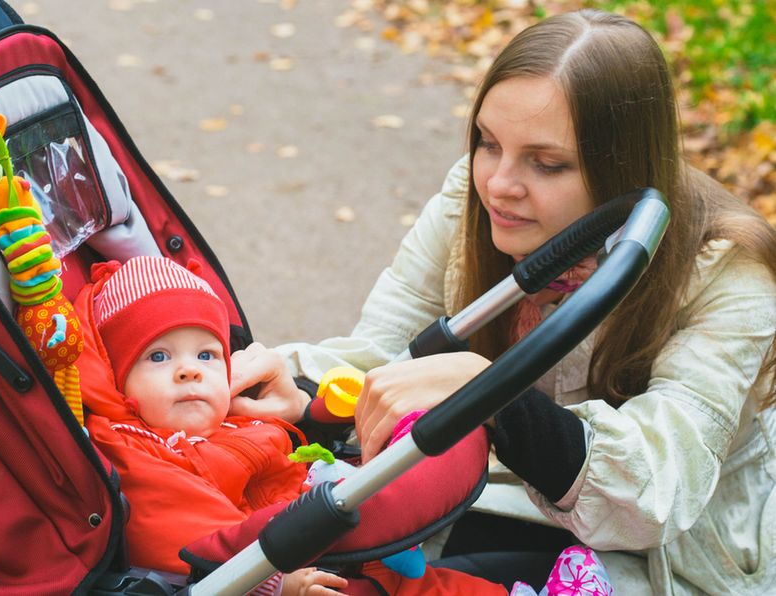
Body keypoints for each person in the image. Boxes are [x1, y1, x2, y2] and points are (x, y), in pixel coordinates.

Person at [229, 9, 776, 595]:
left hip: (669, 557)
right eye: (489, 143)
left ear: (625, 171)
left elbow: (653, 493)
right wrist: (302, 389)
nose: (499, 184)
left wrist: (488, 392)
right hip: (499, 499)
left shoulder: (727, 269)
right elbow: (386, 358)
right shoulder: (471, 195)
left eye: (547, 163)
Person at [74, 255, 507, 595]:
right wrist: (273, 581)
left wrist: (321, 414)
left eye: (206, 356)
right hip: (284, 564)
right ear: (118, 378)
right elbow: (182, 535)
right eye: (159, 356)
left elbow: (290, 445)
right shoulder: (135, 449)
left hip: (332, 543)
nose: (189, 371)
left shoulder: (230, 418)